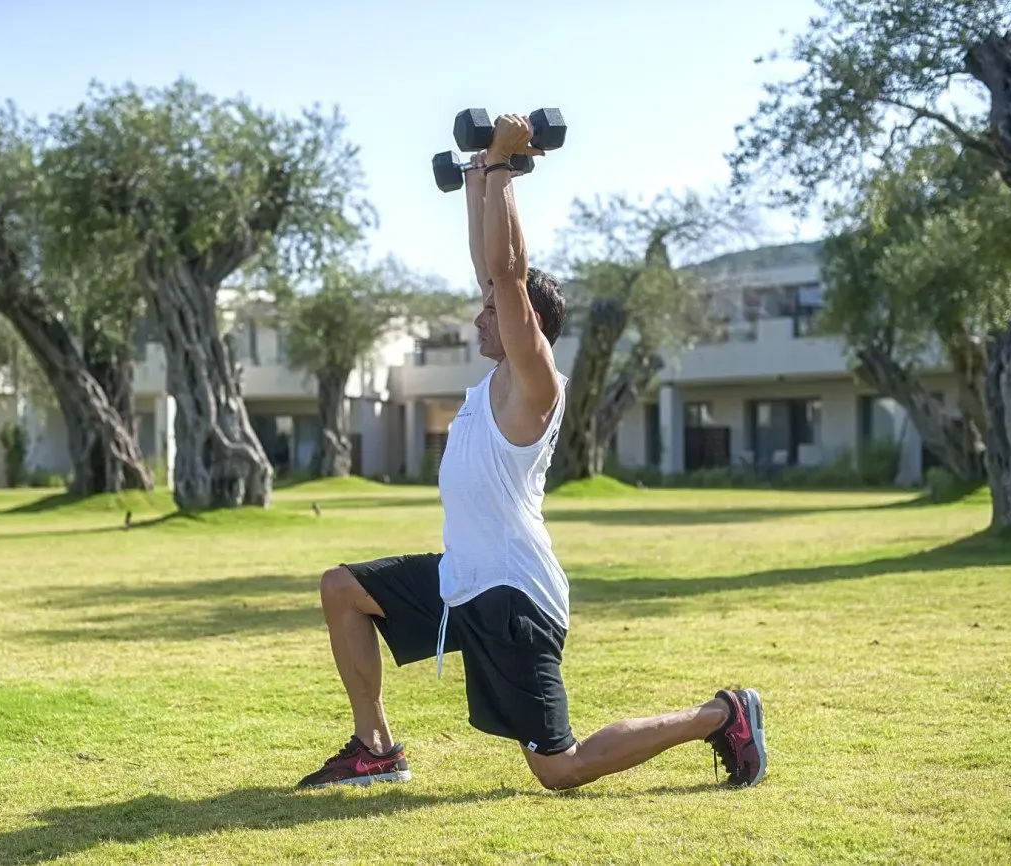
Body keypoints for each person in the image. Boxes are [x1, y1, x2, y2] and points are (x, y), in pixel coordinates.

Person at [298, 114, 766, 792]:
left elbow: (507, 271)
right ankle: (375, 747)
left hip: (514, 599)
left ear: (530, 326)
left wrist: (501, 169)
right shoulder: (494, 379)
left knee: (558, 769)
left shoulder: (535, 381)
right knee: (343, 589)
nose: (478, 314)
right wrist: (480, 178)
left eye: (493, 310)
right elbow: (489, 266)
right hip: (464, 579)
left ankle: (722, 714)